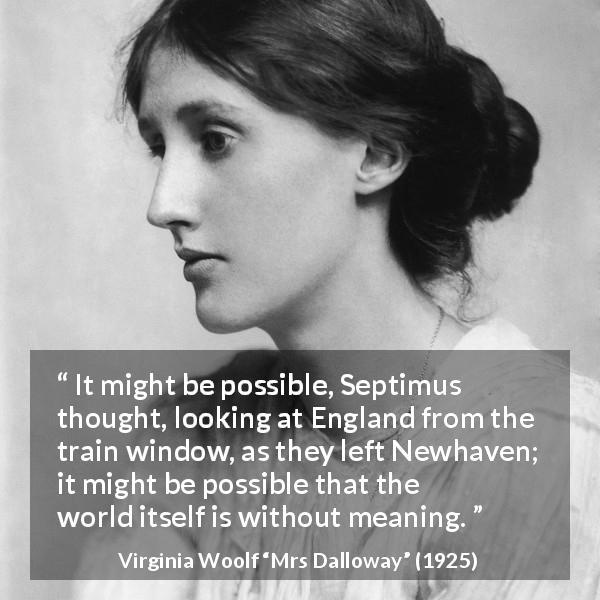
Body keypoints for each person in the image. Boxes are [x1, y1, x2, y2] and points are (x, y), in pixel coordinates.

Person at [75, 0, 600, 598]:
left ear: (378, 152)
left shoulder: (542, 452)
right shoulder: (188, 439)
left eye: (216, 140)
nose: (163, 205)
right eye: (159, 148)